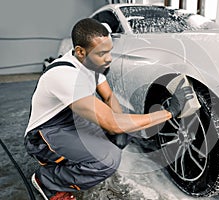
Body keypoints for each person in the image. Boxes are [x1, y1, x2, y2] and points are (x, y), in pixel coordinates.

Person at [24, 18, 193, 200]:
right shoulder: (65, 75)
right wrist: (169, 112)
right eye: (102, 53)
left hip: (73, 122)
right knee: (108, 159)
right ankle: (47, 181)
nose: (109, 58)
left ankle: (71, 162)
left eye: (110, 51)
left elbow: (109, 97)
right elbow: (112, 123)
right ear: (80, 51)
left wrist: (119, 128)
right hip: (44, 135)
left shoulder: (91, 65)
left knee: (125, 130)